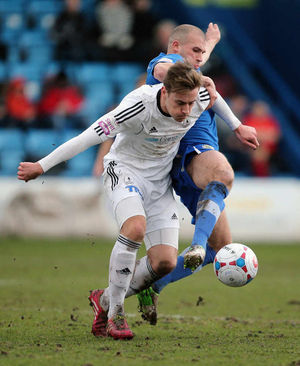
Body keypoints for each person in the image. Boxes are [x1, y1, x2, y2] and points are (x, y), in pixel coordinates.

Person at [17, 62, 214, 340]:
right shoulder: (137, 105)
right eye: (180, 103)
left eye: (190, 103)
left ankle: (105, 299)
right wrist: (42, 165)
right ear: (164, 91)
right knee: (134, 228)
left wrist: (239, 127)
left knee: (165, 263)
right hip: (124, 171)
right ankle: (116, 314)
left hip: (160, 184)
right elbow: (87, 137)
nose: (186, 111)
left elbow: (214, 99)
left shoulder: (200, 98)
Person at [132, 24, 259, 325]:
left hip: (194, 162)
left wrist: (210, 43)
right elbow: (167, 69)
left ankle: (151, 286)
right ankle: (197, 244)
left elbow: (190, 64)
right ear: (175, 46)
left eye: (203, 52)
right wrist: (238, 125)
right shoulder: (163, 64)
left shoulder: (190, 66)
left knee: (221, 248)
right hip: (193, 153)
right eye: (196, 51)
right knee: (224, 173)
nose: (202, 57)